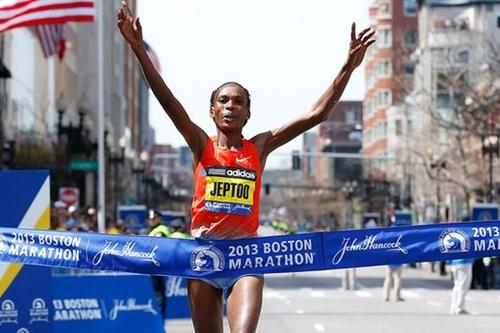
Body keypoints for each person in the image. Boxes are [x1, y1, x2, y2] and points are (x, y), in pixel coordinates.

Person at [117, 2, 375, 332]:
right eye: (223, 101)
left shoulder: (259, 146)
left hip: (245, 259)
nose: (230, 106)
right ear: (212, 111)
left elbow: (317, 114)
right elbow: (168, 101)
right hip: (203, 258)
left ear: (247, 114)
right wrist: (138, 49)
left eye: (238, 102)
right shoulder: (201, 144)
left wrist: (348, 67)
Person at [146, 209, 170, 320]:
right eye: (150, 219)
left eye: (154, 218)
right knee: (156, 292)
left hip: (158, 265)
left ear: (159, 218)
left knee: (159, 293)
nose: (151, 221)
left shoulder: (161, 229)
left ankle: (160, 317)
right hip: (152, 265)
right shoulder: (152, 230)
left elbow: (159, 245)